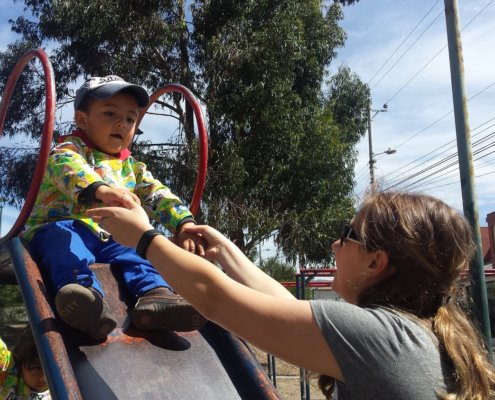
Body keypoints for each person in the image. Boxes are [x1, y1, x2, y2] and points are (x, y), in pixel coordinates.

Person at [88, 190, 495, 399]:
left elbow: (214, 298)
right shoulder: (416, 330)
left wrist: (142, 239)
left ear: (377, 262)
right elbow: (288, 310)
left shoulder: (377, 335)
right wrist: (227, 252)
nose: (335, 246)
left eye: (347, 236)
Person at [25, 75, 206, 341]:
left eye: (131, 118)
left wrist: (184, 223)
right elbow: (65, 166)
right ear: (83, 120)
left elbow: (158, 193)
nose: (122, 123)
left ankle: (154, 295)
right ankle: (85, 296)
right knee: (64, 244)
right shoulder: (71, 148)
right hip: (64, 225)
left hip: (108, 235)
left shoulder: (130, 166)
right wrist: (100, 190)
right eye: (110, 113)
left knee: (140, 247)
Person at [0, 326, 50, 399]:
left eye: (50, 370)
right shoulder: (7, 367)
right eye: (36, 368)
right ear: (20, 360)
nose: (44, 378)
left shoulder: (64, 390)